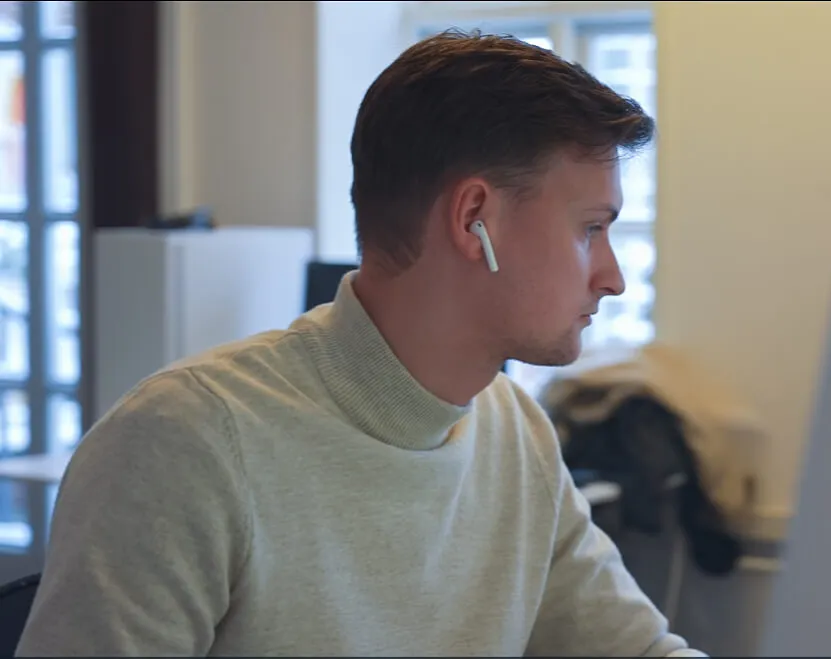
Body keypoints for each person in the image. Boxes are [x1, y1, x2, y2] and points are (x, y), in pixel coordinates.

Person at [17, 30, 704, 657]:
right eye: (591, 228)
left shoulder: (516, 431)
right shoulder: (186, 442)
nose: (612, 277)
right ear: (476, 219)